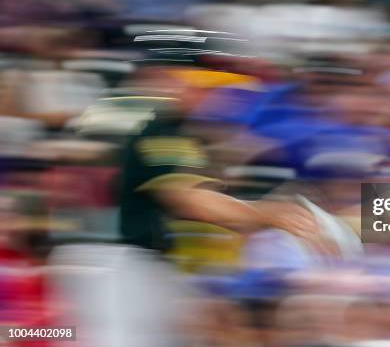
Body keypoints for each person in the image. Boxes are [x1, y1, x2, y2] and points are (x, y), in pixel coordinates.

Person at [48, 66, 321, 347]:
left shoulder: (188, 136)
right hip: (115, 260)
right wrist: (266, 213)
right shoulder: (161, 128)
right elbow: (188, 200)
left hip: (146, 264)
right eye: (215, 91)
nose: (227, 102)